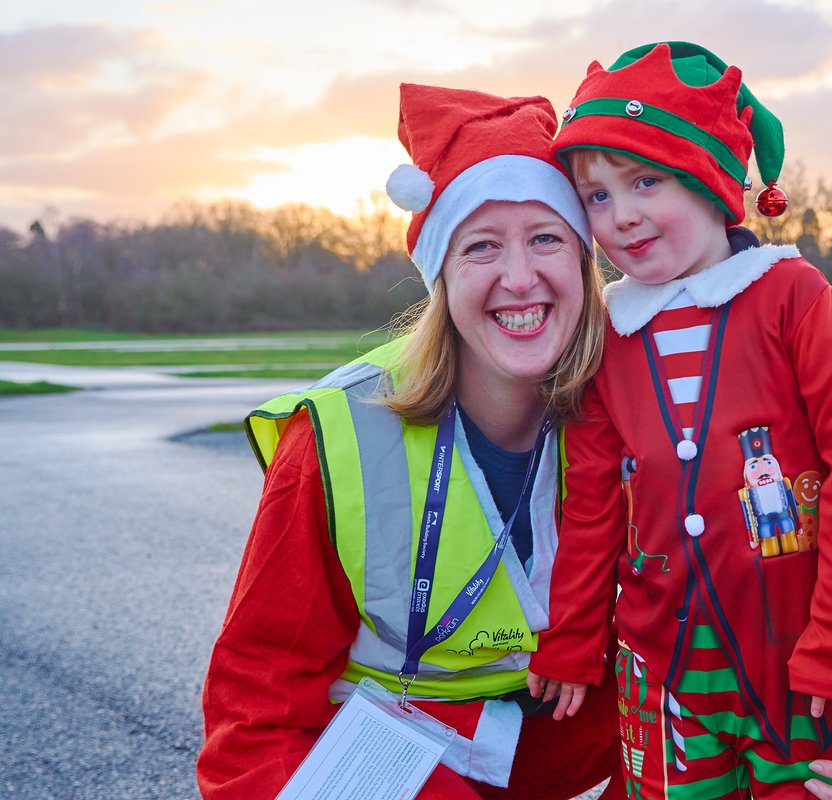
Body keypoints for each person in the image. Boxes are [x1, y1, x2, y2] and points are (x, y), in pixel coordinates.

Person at [197, 84, 622, 799]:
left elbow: (751, 599)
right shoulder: (341, 430)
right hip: (393, 751)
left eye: (547, 238)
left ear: (584, 262)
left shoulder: (640, 405)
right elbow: (257, 704)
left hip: (557, 736)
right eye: (482, 246)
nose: (520, 279)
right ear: (441, 276)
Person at [526, 42, 832, 799]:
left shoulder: (795, 300)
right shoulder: (608, 334)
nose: (622, 216)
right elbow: (592, 503)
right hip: (663, 665)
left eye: (646, 180)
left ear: (713, 182)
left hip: (798, 662)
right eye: (597, 196)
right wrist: (573, 636)